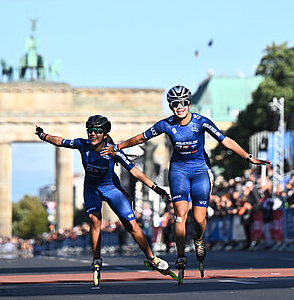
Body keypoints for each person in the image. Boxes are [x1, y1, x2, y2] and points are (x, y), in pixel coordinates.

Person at [101, 85, 270, 278]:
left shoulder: (201, 122)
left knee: (199, 219)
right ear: (171, 106)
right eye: (174, 104)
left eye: (182, 103)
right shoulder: (166, 124)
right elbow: (141, 137)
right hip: (179, 172)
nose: (179, 107)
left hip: (200, 171)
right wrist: (117, 146)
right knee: (179, 214)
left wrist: (249, 157)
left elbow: (226, 141)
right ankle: (181, 255)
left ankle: (198, 239)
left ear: (189, 104)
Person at [35, 115, 174, 281]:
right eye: (90, 131)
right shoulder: (82, 144)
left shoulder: (112, 150)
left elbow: (134, 171)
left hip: (111, 189)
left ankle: (153, 258)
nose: (92, 134)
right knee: (95, 220)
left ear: (105, 134)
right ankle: (96, 259)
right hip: (92, 189)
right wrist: (44, 136)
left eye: (97, 131)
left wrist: (155, 187)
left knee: (131, 225)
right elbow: (60, 141)